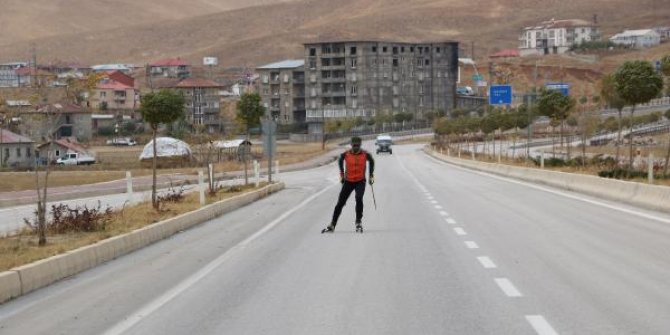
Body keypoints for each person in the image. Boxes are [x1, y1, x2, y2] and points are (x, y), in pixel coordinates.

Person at [322, 136, 375, 233]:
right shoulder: (345, 154)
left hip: (360, 181)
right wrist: (342, 174)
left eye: (357, 145)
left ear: (360, 145)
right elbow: (340, 161)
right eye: (354, 145)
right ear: (351, 145)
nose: (355, 147)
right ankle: (332, 224)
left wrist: (371, 175)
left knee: (359, 198)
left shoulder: (365, 154)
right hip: (348, 181)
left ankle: (358, 222)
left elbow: (372, 161)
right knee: (340, 203)